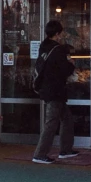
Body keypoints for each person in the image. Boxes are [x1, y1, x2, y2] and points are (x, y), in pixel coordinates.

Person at [32, 19, 79, 165]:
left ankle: (66, 149)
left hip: (46, 89)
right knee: (51, 123)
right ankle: (40, 154)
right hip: (55, 91)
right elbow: (63, 70)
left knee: (67, 118)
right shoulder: (58, 50)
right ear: (58, 33)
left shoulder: (44, 47)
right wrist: (71, 65)